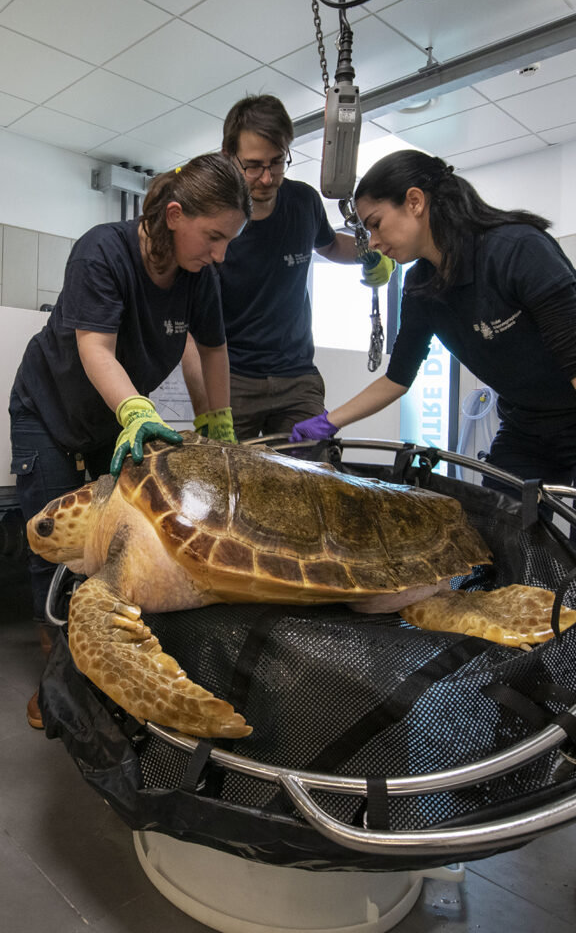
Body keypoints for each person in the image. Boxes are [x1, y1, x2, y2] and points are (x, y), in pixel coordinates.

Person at [10, 152, 251, 728]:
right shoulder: (103, 250)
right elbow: (95, 348)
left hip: (112, 424)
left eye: (227, 242)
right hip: (48, 410)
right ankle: (59, 688)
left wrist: (218, 427)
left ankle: (106, 676)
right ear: (174, 214)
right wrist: (138, 411)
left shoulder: (200, 278)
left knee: (112, 551)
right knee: (61, 554)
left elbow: (213, 350)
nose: (218, 254)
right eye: (213, 237)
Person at [291, 149, 576, 496]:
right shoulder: (421, 287)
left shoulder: (516, 251)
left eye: (375, 224)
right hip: (525, 424)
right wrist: (328, 422)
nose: (374, 244)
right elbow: (397, 379)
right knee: (498, 524)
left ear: (414, 201)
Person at [190, 94, 394, 441]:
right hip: (233, 378)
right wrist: (208, 411)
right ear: (229, 157)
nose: (267, 179)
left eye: (277, 162)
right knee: (224, 481)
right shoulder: (214, 222)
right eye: (253, 165)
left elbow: (329, 245)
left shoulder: (303, 202)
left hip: (297, 375)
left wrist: (371, 251)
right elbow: (191, 329)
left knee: (312, 474)